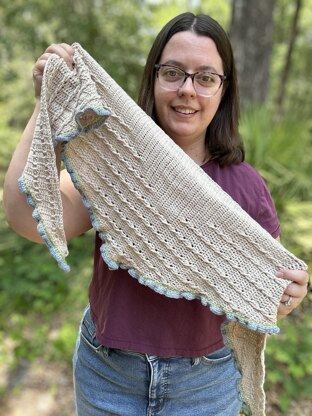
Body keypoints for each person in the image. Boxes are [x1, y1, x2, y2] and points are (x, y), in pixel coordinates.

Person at [3, 12, 309, 416]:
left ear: (224, 89)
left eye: (205, 77)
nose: (187, 90)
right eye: (173, 73)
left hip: (204, 387)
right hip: (107, 376)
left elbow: (264, 298)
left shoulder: (247, 187)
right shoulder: (114, 164)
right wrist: (47, 105)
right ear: (153, 78)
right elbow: (26, 218)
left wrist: (287, 296)